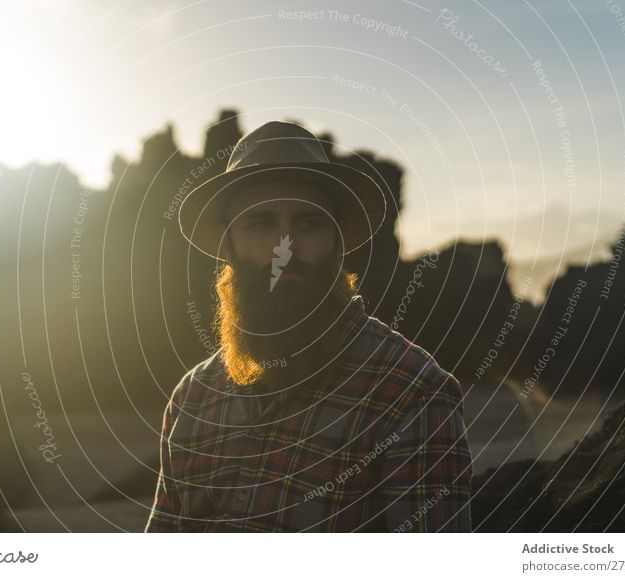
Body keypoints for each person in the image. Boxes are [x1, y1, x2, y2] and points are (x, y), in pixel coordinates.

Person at [145, 120, 473, 532]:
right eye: (261, 223)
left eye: (307, 223)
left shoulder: (411, 393)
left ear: (338, 241)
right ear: (228, 245)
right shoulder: (193, 398)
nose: (286, 247)